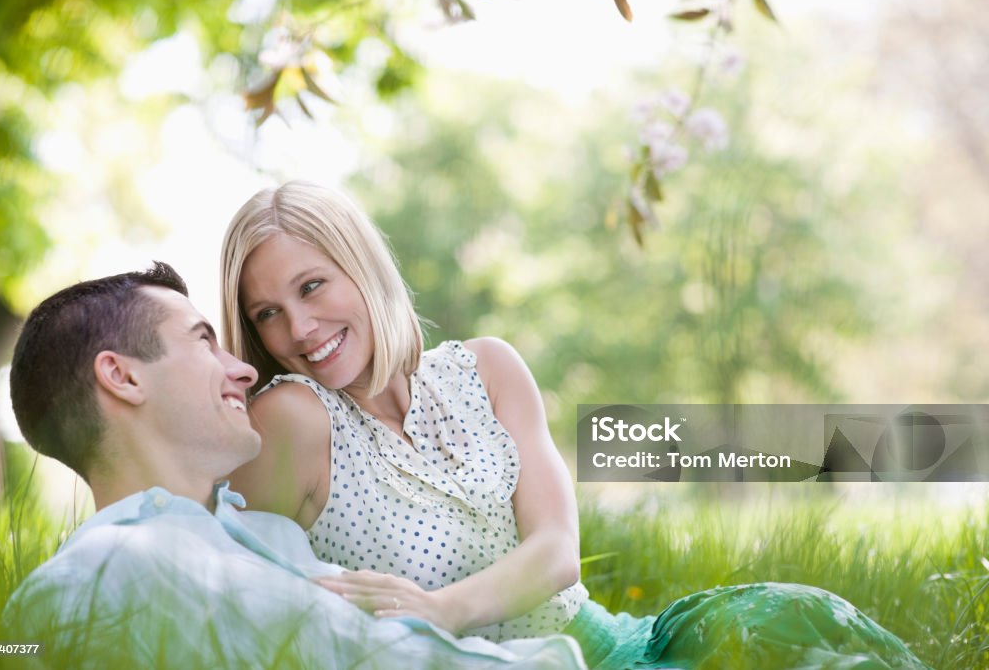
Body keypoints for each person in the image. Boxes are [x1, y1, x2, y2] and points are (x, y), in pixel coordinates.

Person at [219, 181, 931, 669]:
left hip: (616, 645)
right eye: (267, 314)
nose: (300, 329)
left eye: (311, 287)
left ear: (361, 268)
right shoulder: (292, 419)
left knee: (789, 628)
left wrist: (439, 609)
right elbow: (225, 598)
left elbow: (558, 549)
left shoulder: (486, 368)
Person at [3, 262, 586, 669]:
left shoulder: (263, 534)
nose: (247, 370)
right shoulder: (113, 563)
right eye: (205, 342)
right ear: (123, 377)